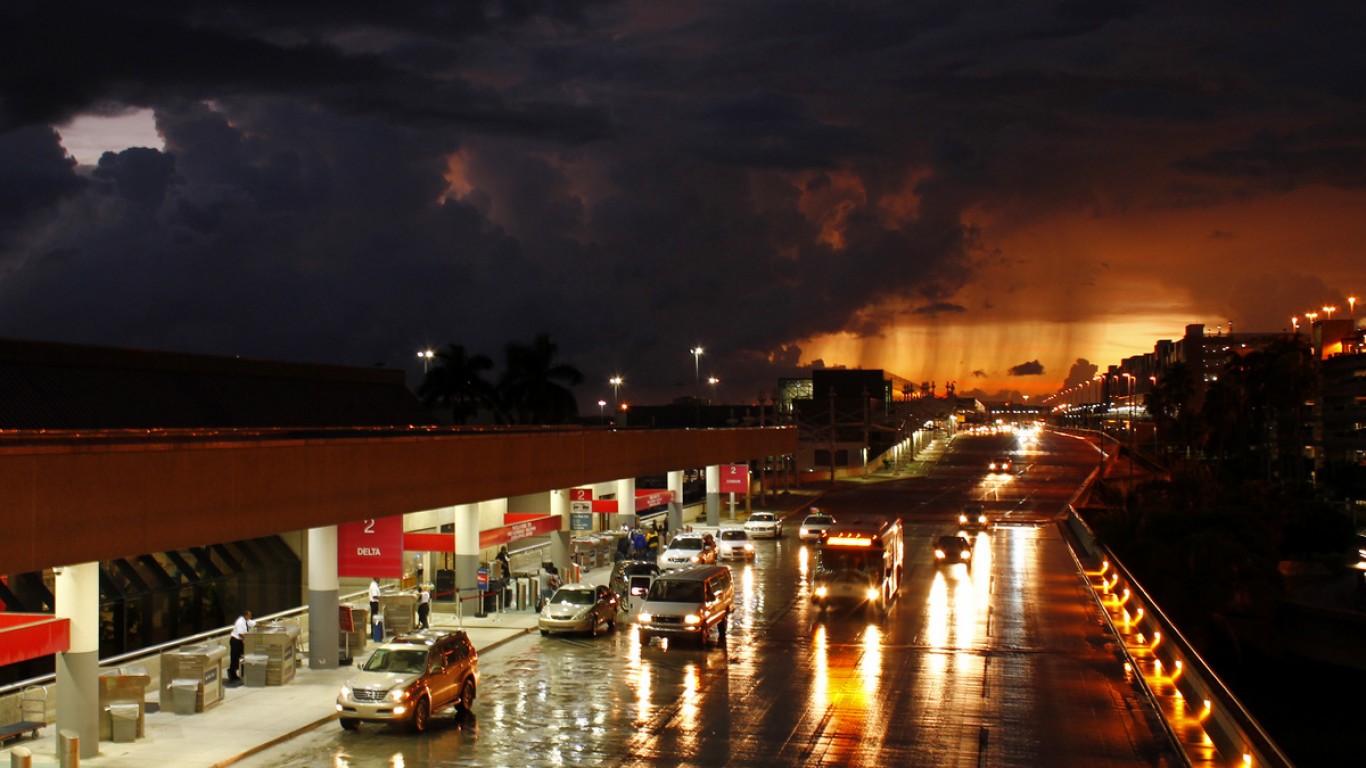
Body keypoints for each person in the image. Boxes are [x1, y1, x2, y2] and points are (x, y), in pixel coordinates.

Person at [228, 609, 255, 684]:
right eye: (249, 615)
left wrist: (262, 625)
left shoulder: (246, 620)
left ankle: (242, 673)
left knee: (243, 656)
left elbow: (253, 624)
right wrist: (248, 639)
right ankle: (232, 674)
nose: (251, 617)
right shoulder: (240, 622)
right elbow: (241, 634)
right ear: (246, 615)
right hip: (235, 641)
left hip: (240, 641)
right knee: (235, 658)